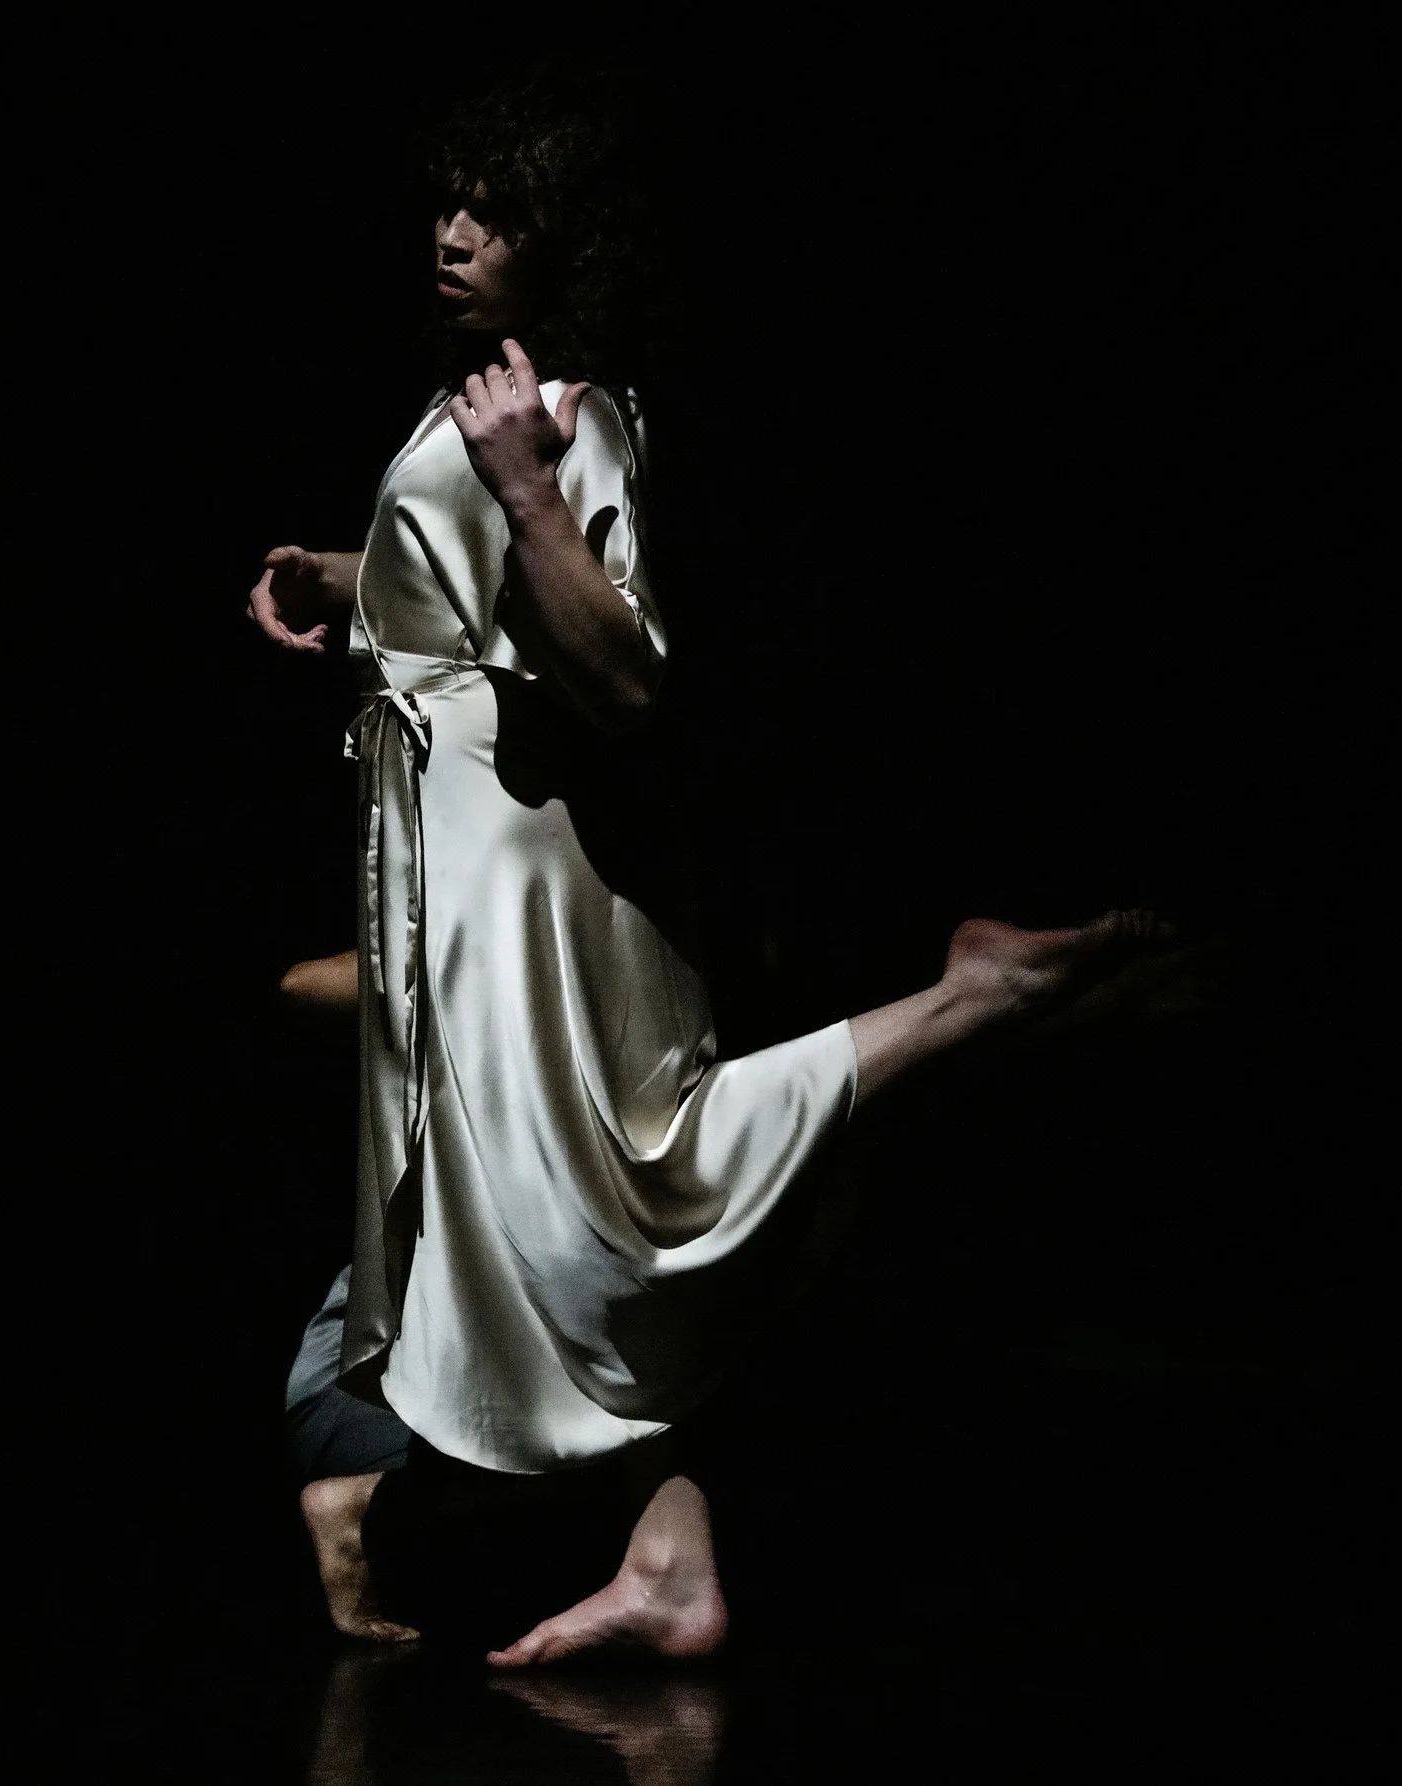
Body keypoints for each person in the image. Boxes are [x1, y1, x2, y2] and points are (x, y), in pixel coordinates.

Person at [247, 73, 1197, 1664]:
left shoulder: (566, 415)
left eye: (498, 215)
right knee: (496, 1209)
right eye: (447, 204)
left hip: (520, 880)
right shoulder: (480, 401)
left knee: (612, 1206)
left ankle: (963, 1003)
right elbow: (467, 597)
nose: (455, 233)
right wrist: (348, 576)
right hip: (447, 865)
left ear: (567, 249)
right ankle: (649, 1547)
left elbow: (619, 678)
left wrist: (530, 487)